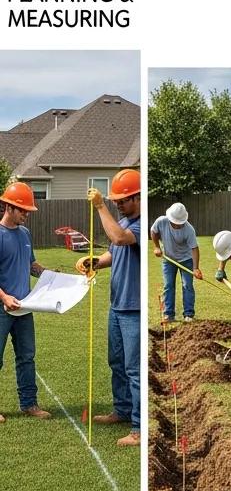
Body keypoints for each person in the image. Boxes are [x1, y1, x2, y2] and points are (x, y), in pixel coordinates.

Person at [76, 169, 142, 447]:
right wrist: (95, 262)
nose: (118, 203)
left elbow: (119, 239)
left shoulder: (140, 225)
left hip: (134, 308)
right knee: (116, 363)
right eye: (115, 200)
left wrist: (101, 206)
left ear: (138, 198)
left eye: (123, 200)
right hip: (117, 306)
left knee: (134, 369)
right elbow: (114, 252)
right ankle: (123, 411)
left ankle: (139, 429)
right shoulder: (126, 220)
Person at [0, 182, 52, 423]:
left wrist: (54, 277)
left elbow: (31, 265)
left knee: (26, 357)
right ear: (9, 207)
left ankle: (29, 404)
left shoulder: (25, 234)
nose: (27, 215)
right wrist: (4, 296)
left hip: (25, 307)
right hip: (2, 309)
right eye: (23, 210)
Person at [151, 202, 203, 323]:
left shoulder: (189, 230)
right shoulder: (161, 221)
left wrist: (196, 268)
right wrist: (157, 247)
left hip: (186, 260)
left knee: (187, 285)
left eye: (180, 223)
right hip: (168, 259)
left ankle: (189, 314)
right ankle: (169, 314)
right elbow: (153, 231)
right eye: (175, 222)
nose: (178, 225)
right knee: (168, 285)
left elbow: (194, 248)